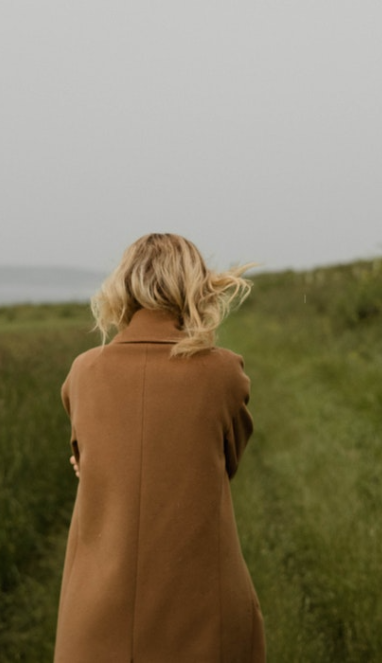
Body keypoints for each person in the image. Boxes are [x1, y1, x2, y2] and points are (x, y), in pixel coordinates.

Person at [54, 233, 265, 663]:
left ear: (123, 287)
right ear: (194, 287)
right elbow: (228, 461)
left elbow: (84, 457)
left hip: (94, 614)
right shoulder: (223, 372)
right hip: (204, 610)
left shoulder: (83, 373)